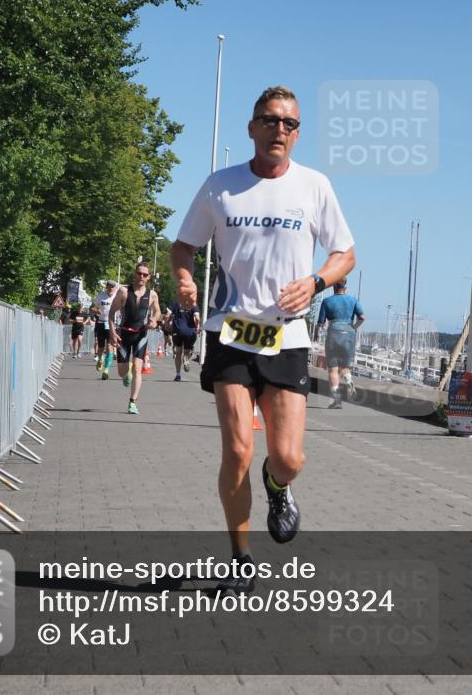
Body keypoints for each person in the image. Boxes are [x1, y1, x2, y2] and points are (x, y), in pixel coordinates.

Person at [171, 85, 355, 595]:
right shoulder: (220, 186)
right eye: (270, 120)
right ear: (252, 128)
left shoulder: (314, 187)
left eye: (290, 123)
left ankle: (279, 489)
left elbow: (345, 253)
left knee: (289, 458)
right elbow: (183, 246)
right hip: (230, 333)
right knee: (237, 450)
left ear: (298, 134)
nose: (280, 130)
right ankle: (240, 558)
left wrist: (316, 282)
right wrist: (185, 279)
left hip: (287, 337)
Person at [108, 264, 161, 414]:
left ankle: (132, 402)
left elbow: (157, 311)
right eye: (139, 273)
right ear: (135, 274)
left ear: (149, 277)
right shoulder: (124, 291)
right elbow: (111, 313)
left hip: (140, 335)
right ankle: (126, 374)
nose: (142, 277)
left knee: (138, 368)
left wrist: (154, 320)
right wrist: (112, 332)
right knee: (121, 372)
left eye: (145, 275)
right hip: (123, 334)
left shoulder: (152, 295)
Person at [318, 277, 364, 408]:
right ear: (345, 287)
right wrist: (353, 327)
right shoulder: (353, 300)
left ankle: (337, 400)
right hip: (349, 333)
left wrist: (318, 332)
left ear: (333, 287)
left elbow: (321, 323)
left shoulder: (327, 301)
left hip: (334, 333)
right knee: (344, 366)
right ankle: (349, 380)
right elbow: (362, 317)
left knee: (333, 368)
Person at [167, 299, 200, 381]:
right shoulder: (193, 303)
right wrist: (197, 326)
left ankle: (178, 374)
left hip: (177, 330)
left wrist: (167, 323)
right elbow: (197, 318)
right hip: (190, 331)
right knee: (187, 351)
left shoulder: (175, 302)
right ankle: (186, 358)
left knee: (178, 353)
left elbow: (168, 315)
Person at [94, 280, 119, 377]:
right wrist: (96, 310)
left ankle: (107, 369)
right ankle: (100, 359)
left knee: (109, 347)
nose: (111, 288)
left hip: (112, 324)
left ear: (115, 288)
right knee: (100, 347)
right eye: (109, 286)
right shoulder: (100, 296)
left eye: (113, 287)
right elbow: (92, 308)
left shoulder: (117, 297)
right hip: (101, 323)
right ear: (106, 287)